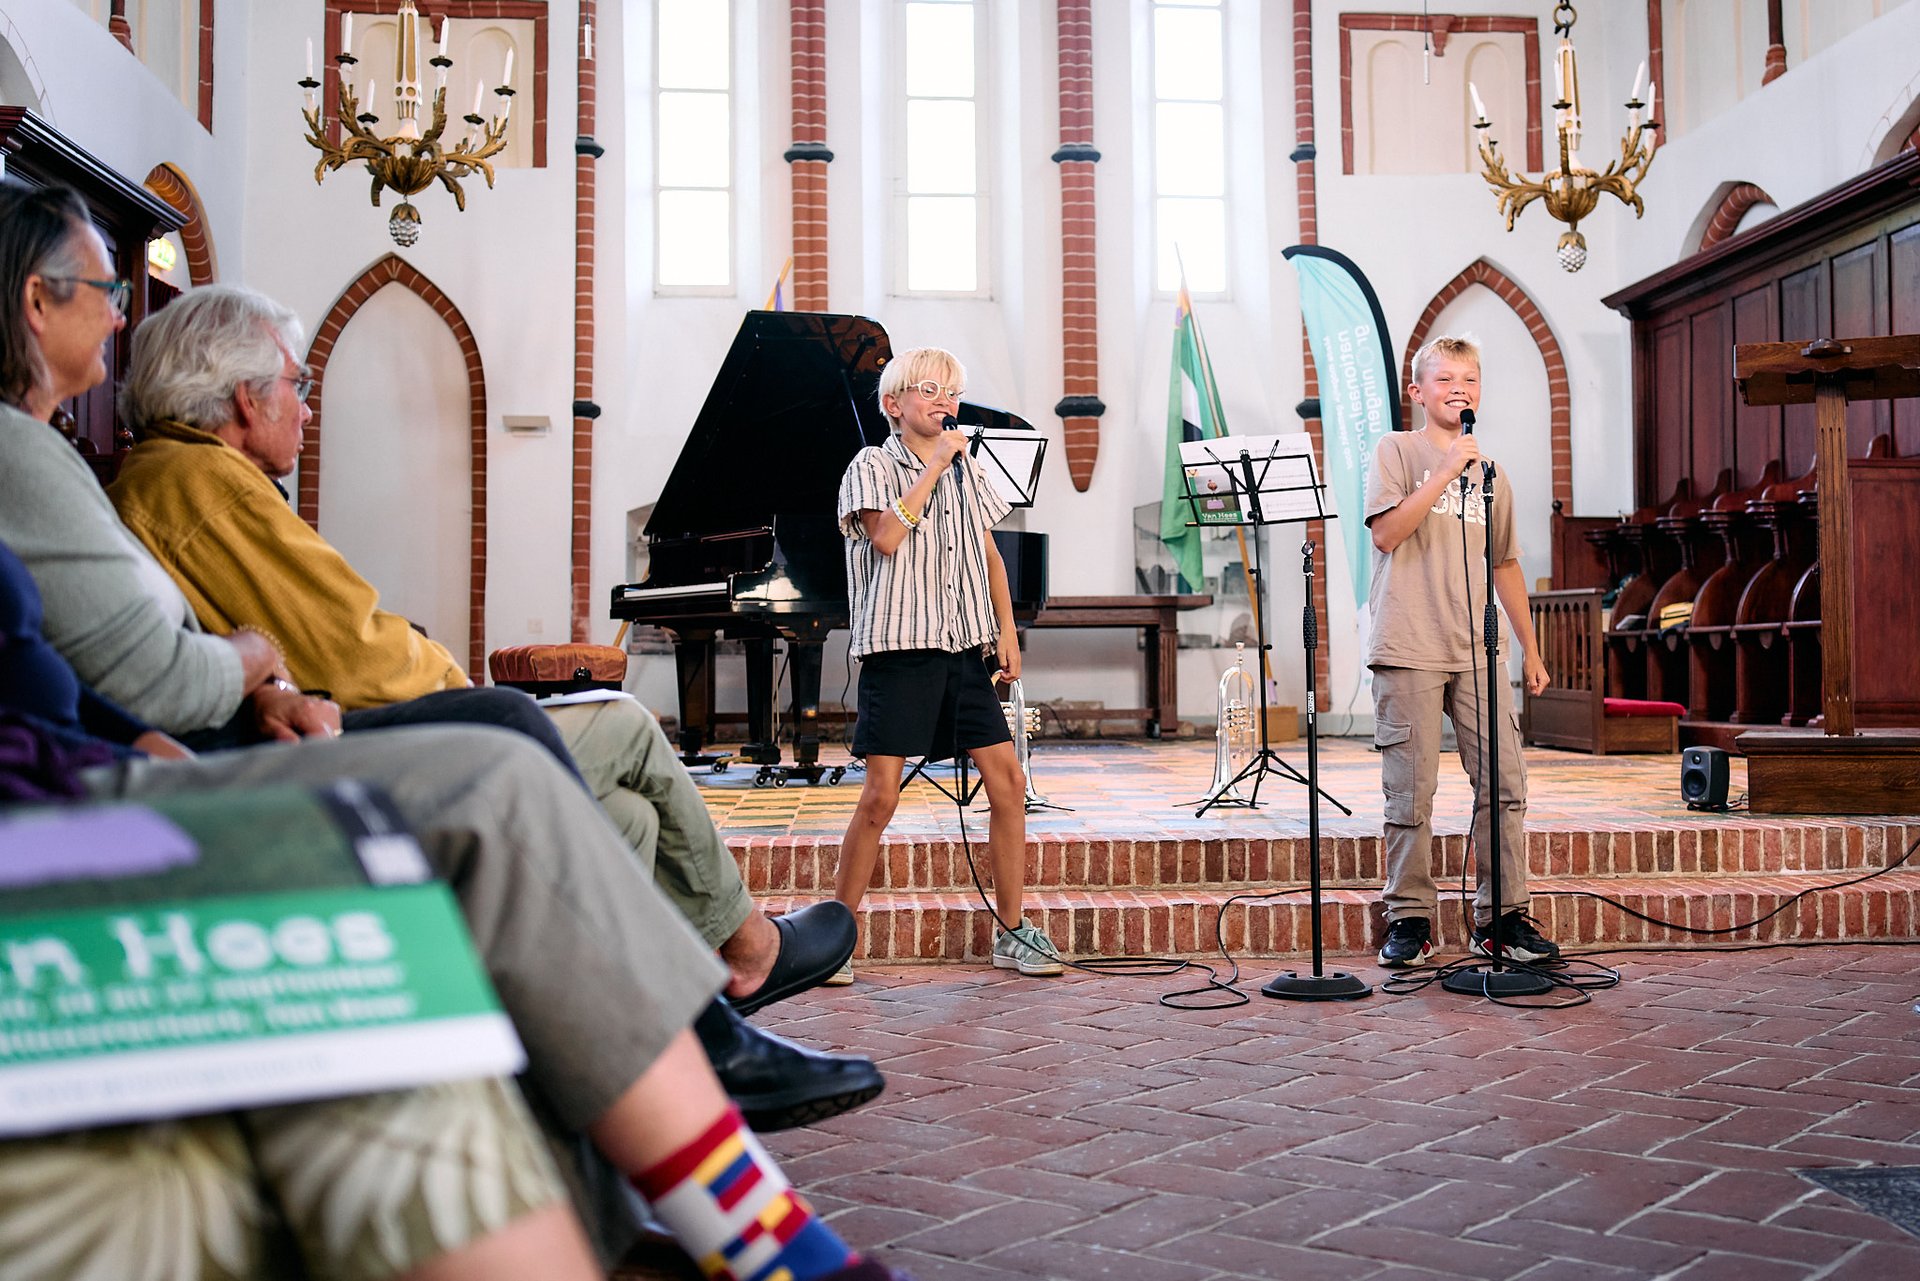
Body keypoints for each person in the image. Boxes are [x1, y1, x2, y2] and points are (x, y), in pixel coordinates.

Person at [0, 177, 905, 1281]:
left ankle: (629, 1181)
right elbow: (192, 658)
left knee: (595, 800)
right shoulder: (107, 468)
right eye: (102, 287)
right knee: (524, 742)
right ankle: (727, 1039)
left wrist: (234, 689)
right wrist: (243, 672)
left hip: (165, 756)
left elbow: (85, 667)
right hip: (141, 792)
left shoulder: (84, 462)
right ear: (38, 304)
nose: (118, 308)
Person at [99, 282, 844, 1019]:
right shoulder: (204, 481)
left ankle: (637, 1026)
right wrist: (469, 690)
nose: (306, 406)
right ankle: (750, 951)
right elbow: (353, 653)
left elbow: (315, 635)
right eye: (298, 384)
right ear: (243, 398)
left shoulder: (181, 474)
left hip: (301, 747)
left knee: (627, 816)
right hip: (345, 759)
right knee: (623, 724)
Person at [832, 346, 1060, 980]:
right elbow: (886, 536)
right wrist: (931, 466)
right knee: (879, 797)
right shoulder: (871, 465)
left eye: (952, 393)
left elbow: (988, 554)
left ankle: (1013, 932)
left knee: (1008, 782)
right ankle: (833, 937)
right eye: (928, 389)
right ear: (893, 404)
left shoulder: (967, 472)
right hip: (899, 650)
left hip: (964, 648)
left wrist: (1007, 632)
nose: (944, 402)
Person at [1363, 334, 1559, 969]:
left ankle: (1501, 918)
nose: (1459, 390)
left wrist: (1529, 650)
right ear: (1418, 392)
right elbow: (1389, 533)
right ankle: (1411, 919)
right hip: (1410, 642)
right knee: (1410, 789)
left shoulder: (1493, 474)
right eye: (1445, 379)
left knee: (1504, 783)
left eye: (1470, 380)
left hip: (1477, 649)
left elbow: (1504, 566)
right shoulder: (1397, 450)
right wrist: (1445, 471)